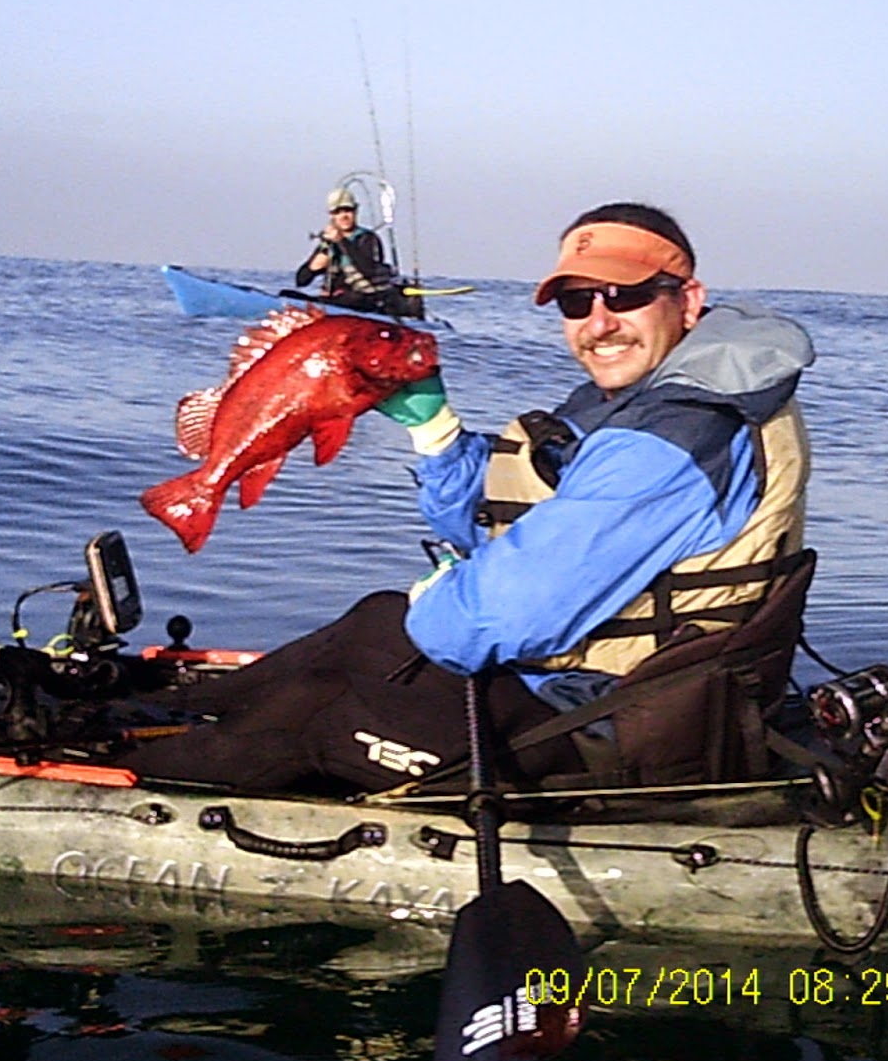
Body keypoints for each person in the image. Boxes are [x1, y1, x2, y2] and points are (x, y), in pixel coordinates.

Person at [122, 202, 815, 794]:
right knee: (377, 621)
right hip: (603, 698)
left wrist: (442, 600)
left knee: (320, 717)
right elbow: (507, 515)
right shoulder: (645, 403)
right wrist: (437, 433)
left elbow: (484, 624)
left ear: (687, 301)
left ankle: (127, 772)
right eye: (577, 302)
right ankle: (173, 712)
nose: (599, 322)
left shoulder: (669, 440)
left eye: (625, 296)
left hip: (610, 728)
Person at [294, 186, 414, 316]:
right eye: (338, 212)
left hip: (364, 300)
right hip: (334, 301)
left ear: (356, 211)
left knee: (351, 299)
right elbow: (301, 281)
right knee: (287, 295)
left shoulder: (368, 239)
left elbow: (368, 270)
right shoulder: (328, 244)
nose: (344, 216)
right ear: (331, 216)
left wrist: (341, 241)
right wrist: (312, 268)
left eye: (348, 210)